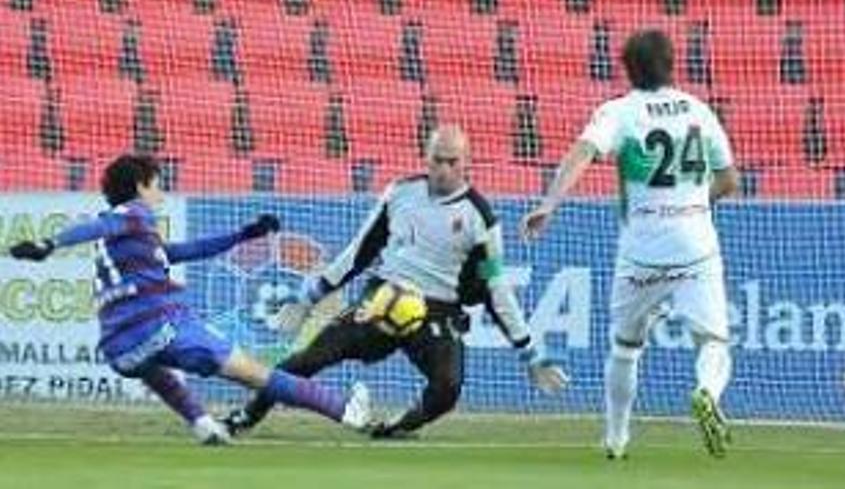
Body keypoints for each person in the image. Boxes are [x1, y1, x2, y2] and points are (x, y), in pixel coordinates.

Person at [224, 124, 568, 439]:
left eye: (452, 161)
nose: (443, 169)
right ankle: (246, 416)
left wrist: (530, 352)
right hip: (384, 296)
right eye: (437, 160)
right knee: (307, 358)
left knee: (448, 389)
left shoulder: (481, 219)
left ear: (467, 163)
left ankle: (398, 428)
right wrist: (310, 296)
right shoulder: (400, 193)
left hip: (438, 309)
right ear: (426, 158)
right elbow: (359, 251)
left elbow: (496, 288)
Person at [8, 154, 372, 444]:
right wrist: (48, 244)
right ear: (140, 186)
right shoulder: (132, 214)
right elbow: (96, 225)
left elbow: (189, 249)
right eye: (157, 186)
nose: (161, 195)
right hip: (164, 325)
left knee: (156, 370)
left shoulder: (128, 243)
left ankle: (201, 423)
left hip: (119, 349)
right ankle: (345, 411)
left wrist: (244, 234)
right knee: (256, 375)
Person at [521, 29, 740, 459]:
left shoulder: (619, 112)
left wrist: (549, 203)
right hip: (696, 243)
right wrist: (692, 201)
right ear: (672, 63)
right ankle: (706, 391)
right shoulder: (700, 110)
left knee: (625, 346)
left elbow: (582, 153)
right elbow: (730, 179)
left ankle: (616, 440)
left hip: (642, 249)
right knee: (713, 340)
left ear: (627, 68)